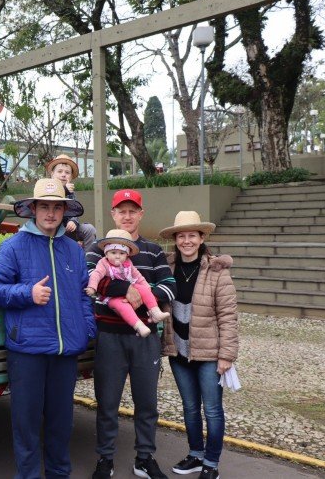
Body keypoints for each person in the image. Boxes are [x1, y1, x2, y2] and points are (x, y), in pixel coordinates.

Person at [0, 178, 96, 479]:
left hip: (65, 351)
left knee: (61, 425)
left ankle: (60, 474)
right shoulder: (14, 246)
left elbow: (84, 294)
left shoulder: (74, 251)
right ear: (33, 209)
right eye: (44, 206)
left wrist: (86, 329)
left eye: (56, 207)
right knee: (27, 425)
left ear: (64, 211)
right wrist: (27, 294)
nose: (50, 213)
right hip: (28, 351)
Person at [86, 189, 177, 479]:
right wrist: (122, 289)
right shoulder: (97, 250)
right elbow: (88, 284)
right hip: (109, 335)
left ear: (141, 213)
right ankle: (105, 458)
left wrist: (139, 293)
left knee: (147, 402)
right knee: (108, 402)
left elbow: (169, 285)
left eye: (132, 210)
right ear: (113, 214)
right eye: (121, 211)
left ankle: (145, 457)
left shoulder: (152, 251)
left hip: (145, 337)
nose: (127, 216)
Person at [157, 212, 239, 479]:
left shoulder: (217, 271)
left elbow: (228, 316)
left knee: (212, 409)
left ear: (202, 238)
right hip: (178, 352)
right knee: (190, 407)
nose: (186, 240)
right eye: (181, 236)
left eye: (192, 235)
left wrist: (227, 355)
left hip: (210, 354)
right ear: (175, 240)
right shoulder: (167, 268)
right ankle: (196, 454)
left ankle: (211, 463)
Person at [85, 229, 170, 337]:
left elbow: (138, 276)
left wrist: (146, 288)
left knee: (143, 289)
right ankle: (139, 326)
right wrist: (93, 287)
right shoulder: (103, 264)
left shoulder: (128, 264)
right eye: (113, 252)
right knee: (123, 306)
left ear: (127, 255)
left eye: (122, 253)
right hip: (112, 297)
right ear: (106, 253)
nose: (117, 256)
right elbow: (95, 275)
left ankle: (155, 312)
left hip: (133, 288)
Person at [45, 154, 97, 247]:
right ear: (52, 174)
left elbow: (74, 210)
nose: (63, 174)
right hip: (51, 228)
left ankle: (88, 259)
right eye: (60, 171)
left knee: (89, 229)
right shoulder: (47, 187)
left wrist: (73, 221)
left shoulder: (71, 192)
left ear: (71, 177)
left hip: (67, 229)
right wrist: (64, 189)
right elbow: (51, 200)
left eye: (67, 172)